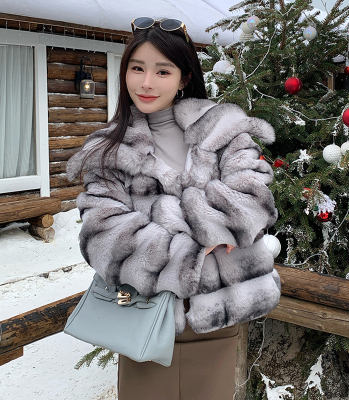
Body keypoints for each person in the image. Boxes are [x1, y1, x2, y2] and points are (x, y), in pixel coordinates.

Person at [66, 17, 281, 400]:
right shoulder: (108, 151)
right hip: (143, 318)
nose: (146, 83)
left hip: (217, 317)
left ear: (184, 78)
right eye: (137, 68)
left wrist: (165, 222)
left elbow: (252, 200)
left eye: (162, 71)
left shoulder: (224, 130)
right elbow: (105, 234)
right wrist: (203, 239)